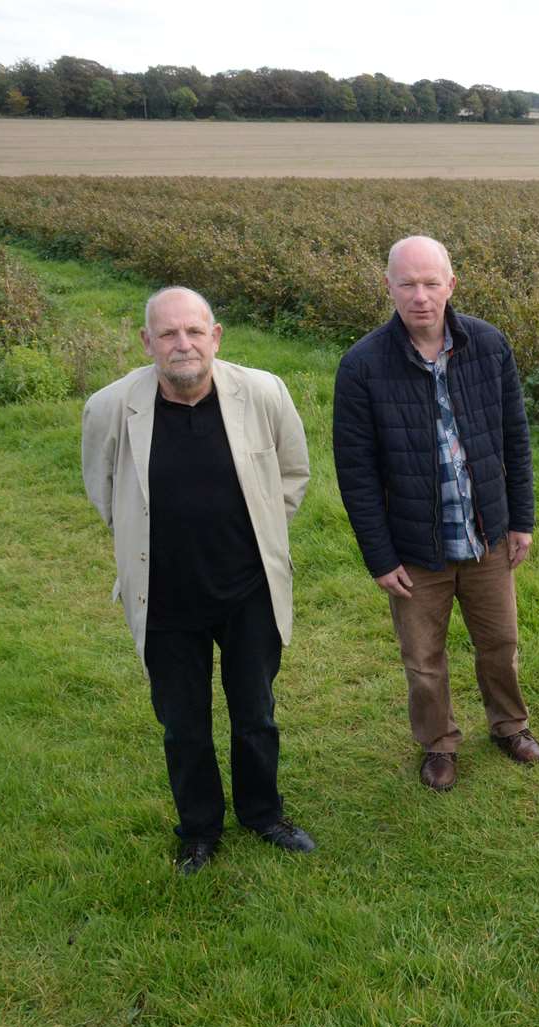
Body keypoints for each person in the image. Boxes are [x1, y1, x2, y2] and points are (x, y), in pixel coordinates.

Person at [81, 286, 315, 876]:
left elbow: (292, 473)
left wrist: (258, 528)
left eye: (193, 331)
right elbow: (105, 491)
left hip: (247, 593)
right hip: (164, 599)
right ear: (146, 343)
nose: (181, 344)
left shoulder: (262, 392)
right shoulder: (111, 408)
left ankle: (264, 814)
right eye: (167, 334)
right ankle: (199, 830)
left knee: (256, 713)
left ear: (215, 336)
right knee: (183, 725)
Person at [333, 235, 539, 792]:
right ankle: (439, 743)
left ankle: (509, 726)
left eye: (431, 283)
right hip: (414, 547)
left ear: (451, 284)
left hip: (486, 536)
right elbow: (355, 475)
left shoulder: (489, 346)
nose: (420, 296)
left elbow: (515, 439)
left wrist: (520, 519)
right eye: (407, 284)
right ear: (389, 288)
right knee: (424, 659)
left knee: (499, 643)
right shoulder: (362, 366)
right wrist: (380, 557)